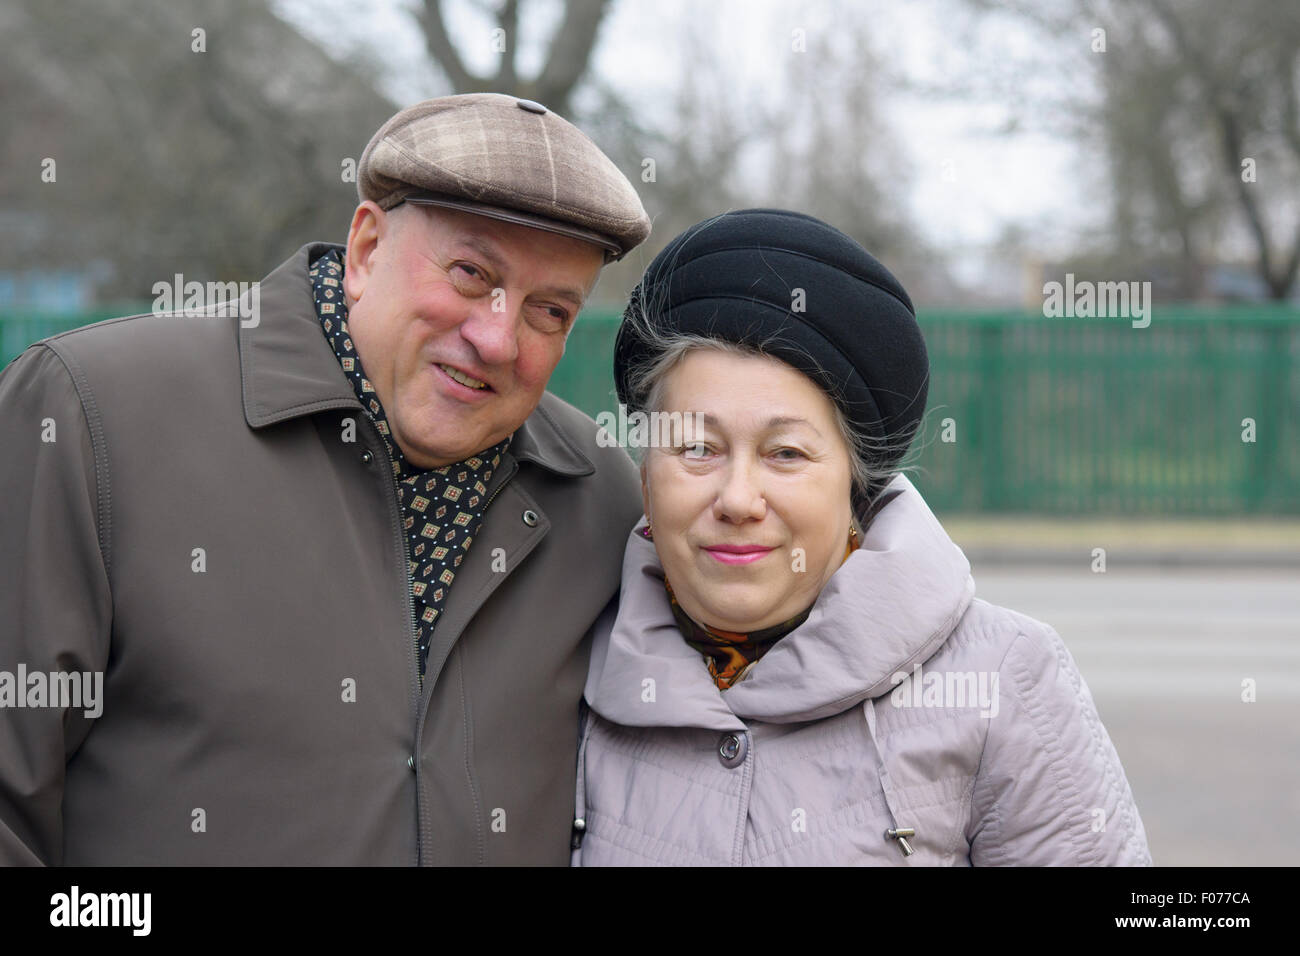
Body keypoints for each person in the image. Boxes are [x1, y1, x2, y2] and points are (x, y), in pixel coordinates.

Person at [0, 93, 650, 865]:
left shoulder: (603, 496)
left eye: (549, 311)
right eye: (472, 274)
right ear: (367, 248)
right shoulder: (91, 416)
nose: (497, 339)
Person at [572, 209, 1152, 866]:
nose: (737, 499)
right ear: (647, 470)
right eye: (697, 448)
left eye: (785, 453)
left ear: (857, 483)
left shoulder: (1004, 680)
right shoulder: (566, 664)